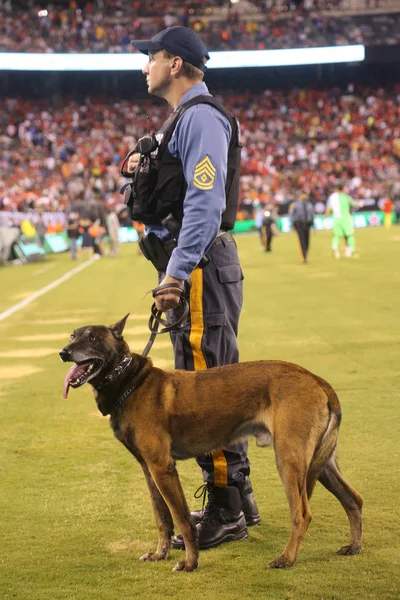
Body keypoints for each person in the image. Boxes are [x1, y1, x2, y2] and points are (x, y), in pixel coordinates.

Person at [126, 26, 260, 551]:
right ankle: (239, 499)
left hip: (199, 264)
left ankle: (226, 510)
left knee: (206, 391)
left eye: (151, 57)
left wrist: (176, 272)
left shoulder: (200, 117)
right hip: (198, 263)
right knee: (211, 378)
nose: (145, 66)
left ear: (175, 64)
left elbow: (203, 202)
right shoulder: (184, 119)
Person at [325, 183, 358, 259]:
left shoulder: (332, 197)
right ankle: (351, 251)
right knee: (349, 235)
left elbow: (329, 208)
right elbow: (354, 204)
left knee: (336, 235)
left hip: (336, 218)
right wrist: (360, 204)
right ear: (342, 189)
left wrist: (326, 220)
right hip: (345, 218)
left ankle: (334, 249)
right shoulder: (346, 197)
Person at [289, 193, 314, 264]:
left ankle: (305, 254)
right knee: (302, 240)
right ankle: (304, 257)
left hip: (307, 224)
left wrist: (313, 224)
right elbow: (292, 215)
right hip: (299, 224)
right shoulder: (295, 204)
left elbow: (312, 215)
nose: (305, 196)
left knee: (307, 241)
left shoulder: (309, 205)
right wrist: (292, 225)